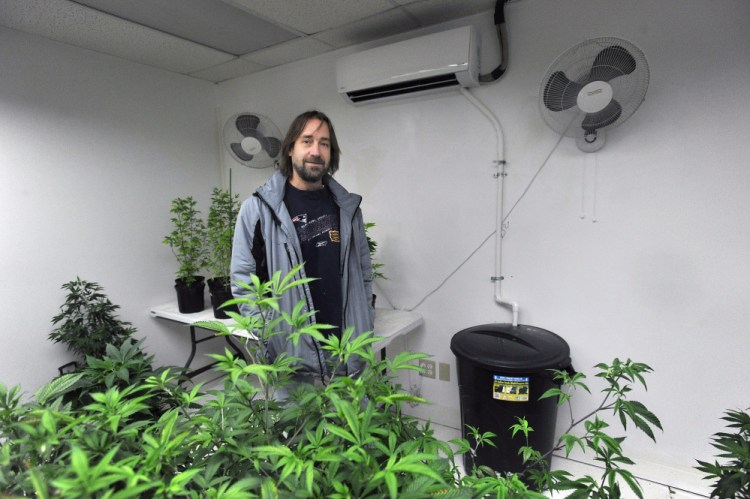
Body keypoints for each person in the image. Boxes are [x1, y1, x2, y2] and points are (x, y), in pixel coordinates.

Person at [231, 110, 374, 391]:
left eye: (324, 143)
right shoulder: (259, 209)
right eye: (307, 141)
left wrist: (365, 318)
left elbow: (364, 271)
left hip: (346, 353)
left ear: (331, 153)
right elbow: (242, 278)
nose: (316, 151)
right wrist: (265, 332)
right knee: (297, 434)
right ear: (290, 149)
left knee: (349, 433)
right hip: (290, 358)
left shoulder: (348, 209)